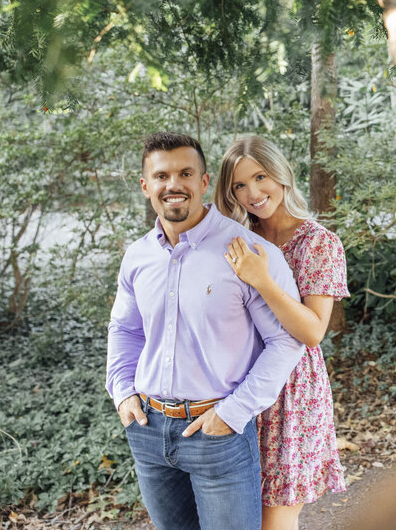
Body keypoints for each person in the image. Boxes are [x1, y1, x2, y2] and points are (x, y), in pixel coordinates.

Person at [106, 132, 305, 530]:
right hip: (147, 430)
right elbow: (125, 328)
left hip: (218, 434)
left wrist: (233, 413)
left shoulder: (247, 251)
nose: (173, 184)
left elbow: (287, 340)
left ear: (203, 181)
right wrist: (122, 391)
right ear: (146, 186)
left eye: (185, 173)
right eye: (161, 176)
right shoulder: (137, 256)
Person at [216, 134, 349, 530]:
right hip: (235, 384)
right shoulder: (236, 240)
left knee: (274, 520)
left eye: (260, 177)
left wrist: (264, 281)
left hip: (290, 394)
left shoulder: (318, 243)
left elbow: (312, 331)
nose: (253, 193)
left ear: (281, 174)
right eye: (239, 185)